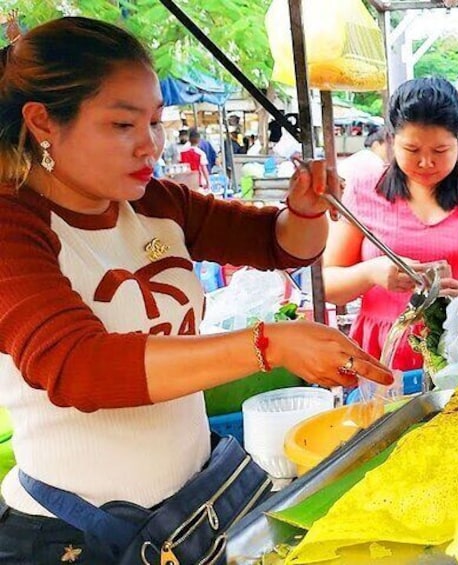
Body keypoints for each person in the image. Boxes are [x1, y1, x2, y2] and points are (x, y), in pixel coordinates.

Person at [0, 17, 392, 564]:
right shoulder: (13, 225)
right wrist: (268, 344)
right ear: (43, 122)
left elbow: (281, 245)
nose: (150, 146)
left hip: (186, 510)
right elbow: (77, 366)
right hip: (73, 535)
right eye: (122, 125)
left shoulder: (156, 202)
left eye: (156, 122)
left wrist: (304, 210)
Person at [323, 78, 458, 371]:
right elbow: (327, 284)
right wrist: (372, 272)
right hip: (382, 359)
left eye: (440, 151)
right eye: (413, 149)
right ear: (392, 140)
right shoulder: (365, 190)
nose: (426, 163)